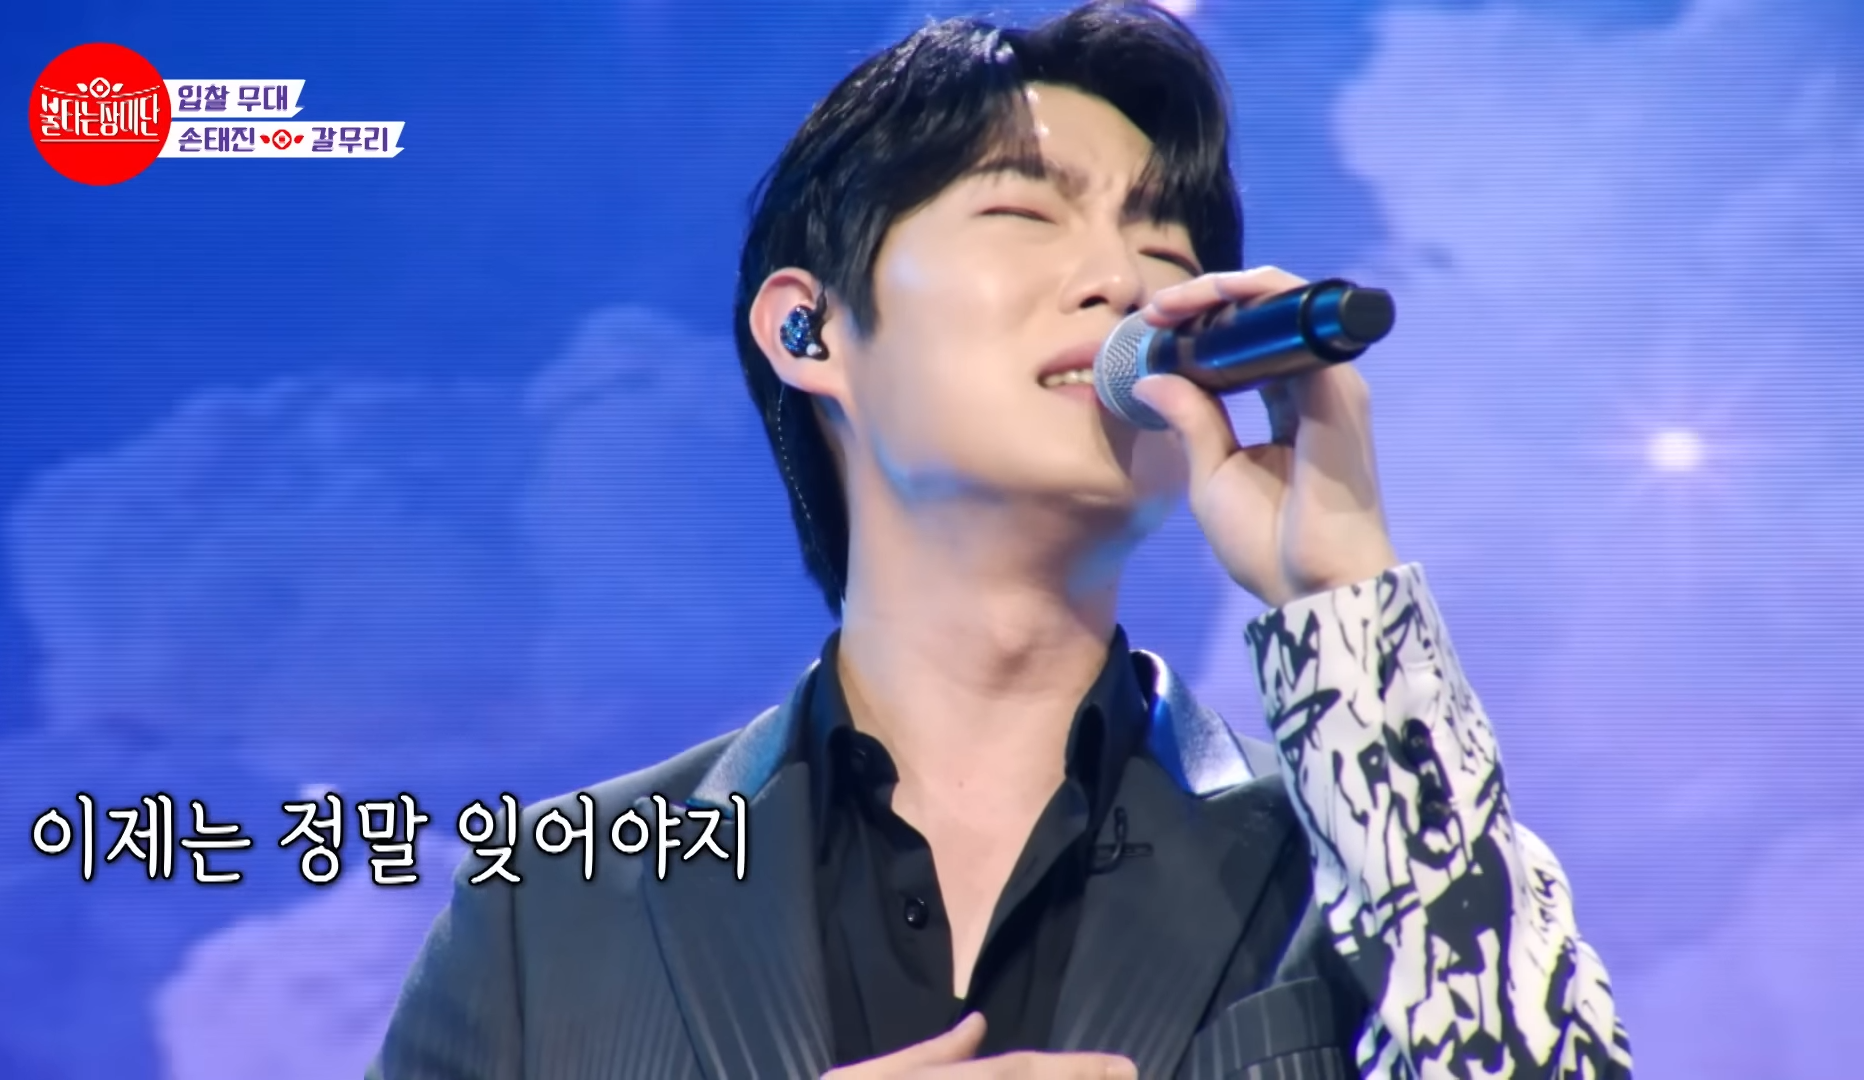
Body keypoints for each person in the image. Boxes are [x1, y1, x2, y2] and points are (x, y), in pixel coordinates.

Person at [372, 3, 1632, 1077]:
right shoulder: (554, 904)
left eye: (1163, 244)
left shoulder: (1353, 861)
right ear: (810, 331)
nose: (1121, 282)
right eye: (1028, 215)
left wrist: (1344, 598)